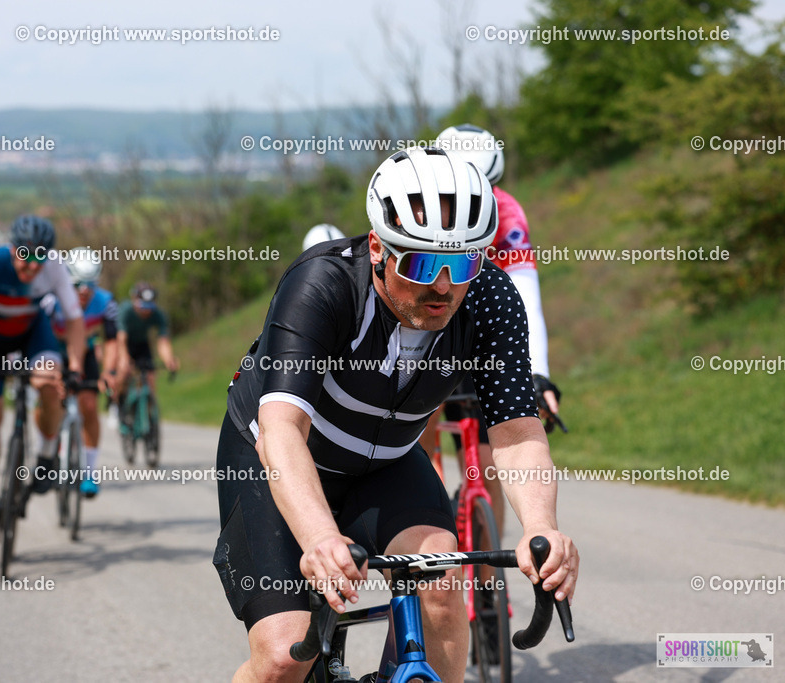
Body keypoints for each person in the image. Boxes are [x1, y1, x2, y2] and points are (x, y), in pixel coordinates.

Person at [213, 147, 578, 682]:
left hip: (385, 462)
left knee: (442, 585)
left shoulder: (489, 298)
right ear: (380, 247)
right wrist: (319, 539)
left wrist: (542, 529)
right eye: (425, 264)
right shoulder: (323, 284)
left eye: (463, 262)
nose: (444, 286)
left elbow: (518, 433)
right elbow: (282, 431)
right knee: (283, 654)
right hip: (277, 460)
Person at [423, 123, 562, 537]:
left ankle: (487, 591)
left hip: (482, 332)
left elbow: (526, 295)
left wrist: (538, 374)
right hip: (431, 329)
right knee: (416, 439)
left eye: (484, 189)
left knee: (488, 464)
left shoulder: (510, 214)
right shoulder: (426, 210)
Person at [0, 215, 86, 544]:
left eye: (41, 256)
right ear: (12, 249)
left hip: (31, 335)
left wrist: (75, 366)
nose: (33, 265)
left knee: (50, 381)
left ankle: (47, 457)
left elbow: (74, 320)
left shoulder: (53, 267)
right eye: (26, 254)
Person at [46, 248, 119, 498]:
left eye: (91, 284)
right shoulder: (50, 298)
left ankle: (89, 471)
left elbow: (111, 341)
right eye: (78, 284)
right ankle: (49, 454)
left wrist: (108, 371)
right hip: (52, 351)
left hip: (85, 353)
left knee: (89, 405)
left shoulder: (106, 302)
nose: (85, 290)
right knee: (52, 402)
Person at [115, 281, 179, 410]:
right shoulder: (126, 310)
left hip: (142, 345)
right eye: (143, 306)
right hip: (125, 344)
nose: (146, 311)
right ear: (134, 300)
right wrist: (124, 359)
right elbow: (121, 338)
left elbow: (163, 341)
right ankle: (117, 404)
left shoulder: (158, 315)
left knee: (150, 377)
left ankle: (150, 412)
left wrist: (168, 359)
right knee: (123, 372)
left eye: (149, 307)